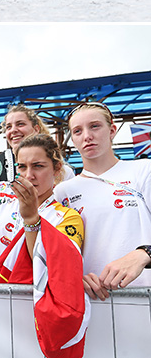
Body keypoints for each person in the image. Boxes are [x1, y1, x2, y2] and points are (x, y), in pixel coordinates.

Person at [54, 101, 151, 299]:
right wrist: (73, 276)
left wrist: (144, 254)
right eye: (77, 131)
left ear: (112, 130)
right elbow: (59, 253)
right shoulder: (63, 192)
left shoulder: (143, 170)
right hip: (92, 301)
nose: (87, 136)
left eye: (95, 126)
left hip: (143, 296)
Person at [0, 134, 83, 282]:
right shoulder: (1, 202)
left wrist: (31, 219)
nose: (29, 175)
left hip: (34, 302)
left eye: (38, 166)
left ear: (57, 169)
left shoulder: (68, 217)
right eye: (22, 166)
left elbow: (53, 266)